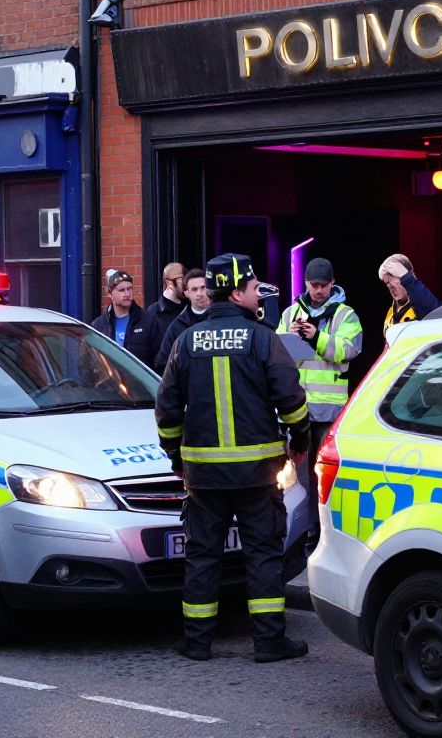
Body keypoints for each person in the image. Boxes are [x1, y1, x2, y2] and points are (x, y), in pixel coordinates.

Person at [156, 253, 311, 664]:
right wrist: (300, 441)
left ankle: (197, 642)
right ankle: (269, 641)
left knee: (203, 556)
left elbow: (167, 409)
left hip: (204, 477)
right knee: (263, 555)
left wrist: (175, 458)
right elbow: (292, 400)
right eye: (255, 288)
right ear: (237, 293)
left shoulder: (186, 341)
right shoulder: (262, 338)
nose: (259, 294)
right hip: (257, 475)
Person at [276, 257, 362, 552]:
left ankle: (327, 534)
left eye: (324, 285)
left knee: (325, 476)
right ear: (306, 284)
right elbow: (277, 353)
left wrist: (317, 338)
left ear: (332, 283)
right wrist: (293, 341)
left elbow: (350, 349)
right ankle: (302, 532)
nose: (319, 290)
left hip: (330, 409)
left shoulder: (346, 314)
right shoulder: (290, 313)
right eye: (314, 285)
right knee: (297, 477)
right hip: (298, 409)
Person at [153, 268, 210, 373]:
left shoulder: (222, 318)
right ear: (186, 293)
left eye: (203, 287)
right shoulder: (177, 326)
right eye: (194, 289)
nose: (200, 293)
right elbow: (162, 362)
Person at [90, 269, 151, 364]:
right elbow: (90, 361)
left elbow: (158, 360)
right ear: (110, 293)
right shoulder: (99, 326)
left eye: (129, 289)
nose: (127, 294)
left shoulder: (148, 321)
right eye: (121, 290)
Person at [378, 253, 439, 339]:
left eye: (395, 280)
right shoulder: (391, 312)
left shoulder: (422, 304)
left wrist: (407, 279)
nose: (391, 287)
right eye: (387, 283)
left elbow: (435, 316)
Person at [142, 262, 188, 368]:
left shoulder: (190, 307)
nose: (185, 283)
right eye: (181, 279)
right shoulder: (153, 313)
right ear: (168, 283)